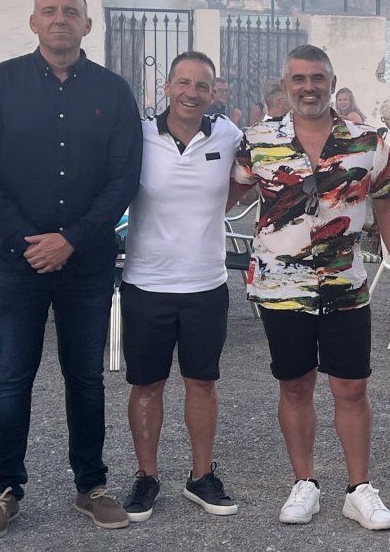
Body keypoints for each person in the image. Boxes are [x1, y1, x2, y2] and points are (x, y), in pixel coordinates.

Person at [0, 0, 142, 539]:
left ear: (88, 25)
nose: (60, 18)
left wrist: (70, 238)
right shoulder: (2, 83)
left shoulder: (114, 91)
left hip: (87, 261)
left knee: (85, 377)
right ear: (34, 22)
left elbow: (123, 179)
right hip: (13, 261)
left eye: (71, 11)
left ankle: (92, 486)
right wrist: (30, 241)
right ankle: (6, 490)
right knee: (11, 376)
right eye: (50, 11)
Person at [231, 44, 390, 531]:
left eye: (317, 79)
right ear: (286, 85)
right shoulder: (257, 141)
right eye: (299, 79)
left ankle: (359, 489)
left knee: (352, 387)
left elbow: (388, 209)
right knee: (294, 385)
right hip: (280, 287)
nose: (308, 87)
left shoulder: (367, 141)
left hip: (344, 286)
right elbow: (221, 196)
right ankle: (304, 483)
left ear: (331, 83)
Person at [119, 51, 244, 523]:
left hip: (206, 284)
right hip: (146, 283)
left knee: (202, 383)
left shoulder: (228, 135)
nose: (192, 93)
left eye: (202, 85)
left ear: (213, 93)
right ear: (167, 87)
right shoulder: (138, 135)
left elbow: (248, 180)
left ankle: (201, 476)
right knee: (147, 384)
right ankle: (147, 477)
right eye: (184, 83)